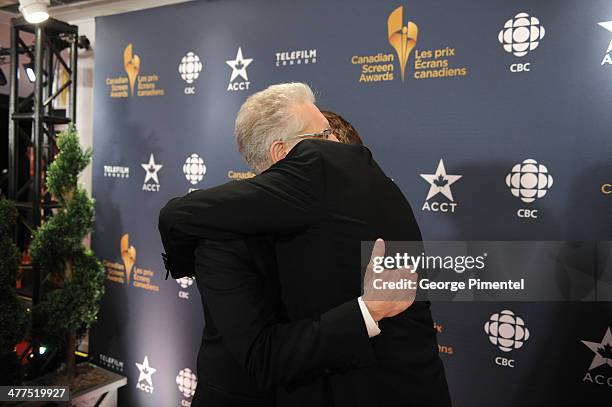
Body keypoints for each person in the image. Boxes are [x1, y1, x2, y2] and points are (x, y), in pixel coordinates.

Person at [159, 82, 451, 406]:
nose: (338, 144)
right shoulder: (221, 236)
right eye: (323, 138)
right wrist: (366, 311)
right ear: (281, 153)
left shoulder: (351, 206)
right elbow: (263, 356)